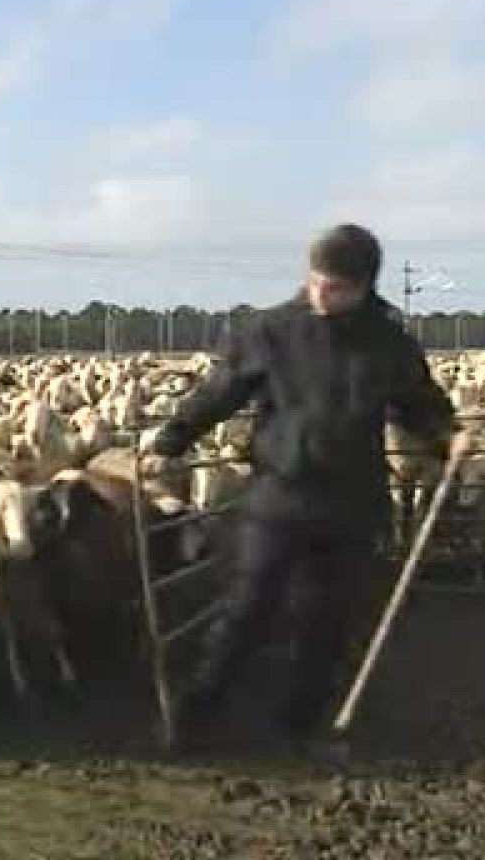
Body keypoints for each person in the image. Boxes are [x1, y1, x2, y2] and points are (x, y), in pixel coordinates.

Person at [146, 223, 457, 754]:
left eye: (333, 286)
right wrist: (169, 441)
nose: (319, 294)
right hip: (279, 497)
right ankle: (195, 713)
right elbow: (221, 391)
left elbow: (420, 402)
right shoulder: (271, 332)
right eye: (314, 281)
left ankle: (299, 729)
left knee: (325, 624)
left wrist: (447, 433)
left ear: (362, 286)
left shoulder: (389, 343)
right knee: (246, 607)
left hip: (350, 503)